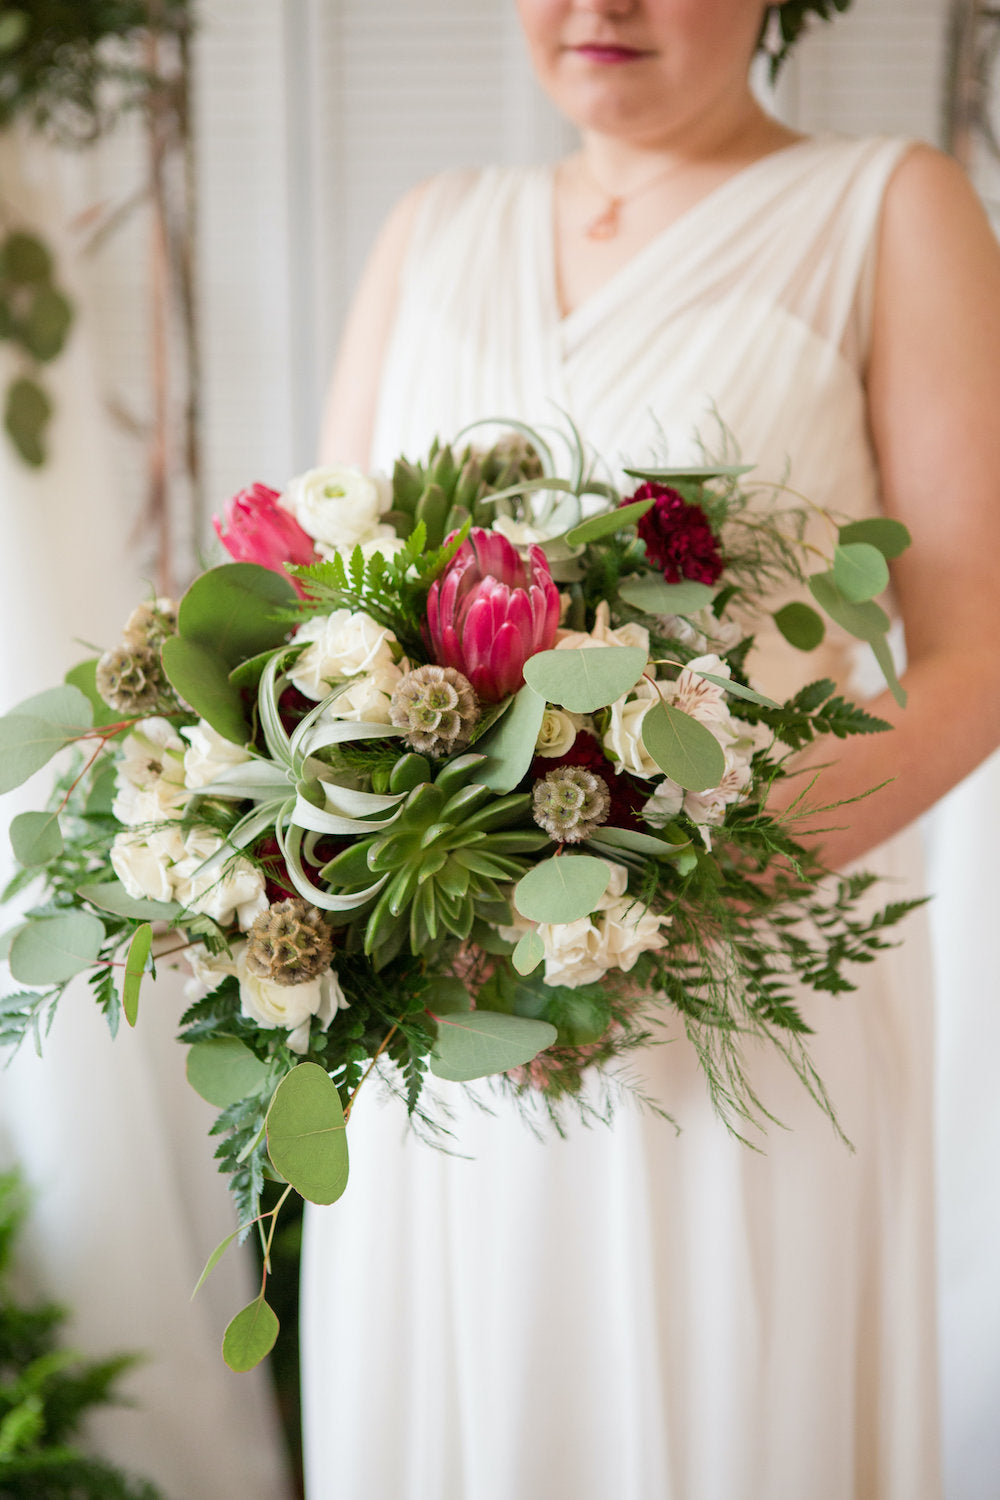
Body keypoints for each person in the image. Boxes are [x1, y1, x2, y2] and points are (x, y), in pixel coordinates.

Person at [300, 3, 1000, 1497]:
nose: (598, 6)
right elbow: (318, 620)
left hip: (734, 985)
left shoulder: (890, 205)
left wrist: (675, 896)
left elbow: (974, 652)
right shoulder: (433, 226)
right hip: (447, 1001)